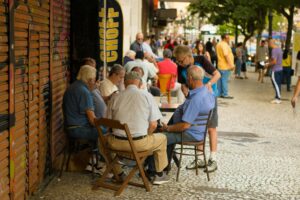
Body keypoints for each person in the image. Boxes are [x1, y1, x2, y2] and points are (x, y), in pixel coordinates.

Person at [106, 71, 169, 185]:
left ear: (125, 83)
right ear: (139, 83)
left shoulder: (115, 97)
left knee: (101, 141)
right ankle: (158, 175)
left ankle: (119, 173)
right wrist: (146, 136)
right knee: (162, 139)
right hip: (138, 145)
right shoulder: (146, 95)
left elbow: (109, 123)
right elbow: (154, 125)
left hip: (116, 144)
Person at [173, 45, 221, 172]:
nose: (179, 63)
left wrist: (208, 85)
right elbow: (183, 85)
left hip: (209, 97)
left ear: (189, 56)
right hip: (194, 100)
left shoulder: (201, 60)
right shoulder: (180, 67)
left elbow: (217, 74)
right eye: (177, 61)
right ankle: (199, 158)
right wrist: (187, 95)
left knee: (211, 128)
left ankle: (213, 159)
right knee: (196, 127)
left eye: (181, 60)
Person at [160, 66, 215, 170]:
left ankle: (155, 171)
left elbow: (184, 125)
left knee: (159, 138)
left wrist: (168, 128)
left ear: (190, 78)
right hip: (199, 132)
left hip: (189, 133)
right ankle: (165, 165)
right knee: (164, 134)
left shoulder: (196, 99)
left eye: (186, 78)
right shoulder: (208, 92)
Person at [62, 65, 98, 141]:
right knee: (106, 132)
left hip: (70, 126)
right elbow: (92, 120)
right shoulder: (84, 92)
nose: (94, 82)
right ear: (90, 80)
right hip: (78, 128)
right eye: (94, 80)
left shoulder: (73, 86)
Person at [216, 34, 235, 98]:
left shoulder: (218, 44)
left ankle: (219, 93)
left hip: (220, 65)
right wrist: (231, 65)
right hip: (225, 66)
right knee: (224, 80)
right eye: (228, 38)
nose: (229, 39)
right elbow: (226, 55)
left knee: (220, 80)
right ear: (224, 38)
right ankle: (225, 94)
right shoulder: (224, 45)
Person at [266, 39, 283, 104]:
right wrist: (268, 61)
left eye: (269, 43)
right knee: (278, 84)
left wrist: (267, 65)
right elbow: (274, 59)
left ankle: (278, 98)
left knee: (275, 84)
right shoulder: (279, 49)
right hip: (280, 69)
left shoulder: (274, 50)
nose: (268, 44)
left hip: (275, 70)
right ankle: (277, 96)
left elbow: (274, 61)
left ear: (271, 43)